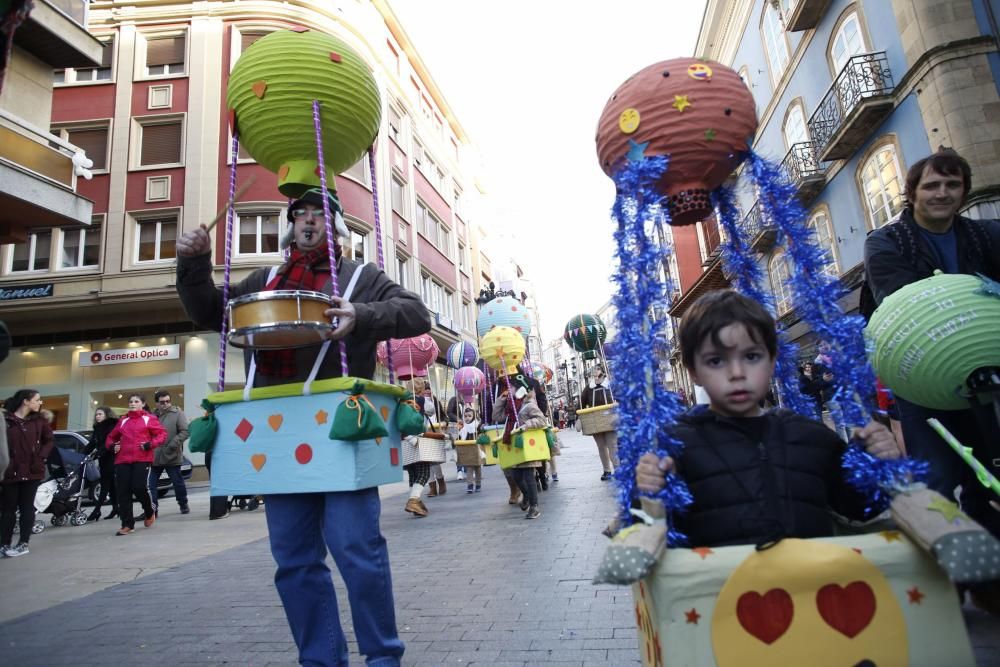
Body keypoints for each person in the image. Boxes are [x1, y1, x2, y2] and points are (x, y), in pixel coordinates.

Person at [176, 185, 429, 666]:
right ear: (291, 225)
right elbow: (210, 312)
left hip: (338, 431)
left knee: (357, 551)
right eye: (300, 214)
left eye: (319, 214)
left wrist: (363, 315)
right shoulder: (265, 279)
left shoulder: (361, 277)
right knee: (293, 562)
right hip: (276, 434)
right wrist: (194, 264)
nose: (309, 221)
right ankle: (320, 659)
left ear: (335, 227)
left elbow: (417, 312)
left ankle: (383, 657)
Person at [635, 290, 901, 548]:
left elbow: (860, 509)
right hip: (725, 590)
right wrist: (649, 490)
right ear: (694, 372)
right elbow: (655, 532)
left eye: (751, 357)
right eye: (716, 361)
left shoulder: (812, 437)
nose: (737, 373)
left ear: (772, 361)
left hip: (810, 588)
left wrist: (873, 461)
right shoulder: (676, 447)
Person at [863, 149, 1000, 538]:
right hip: (923, 377)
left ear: (964, 191)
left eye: (952, 185)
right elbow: (903, 299)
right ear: (912, 192)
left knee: (989, 475)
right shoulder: (885, 242)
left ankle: (990, 574)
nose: (942, 193)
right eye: (932, 185)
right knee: (937, 477)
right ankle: (943, 571)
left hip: (989, 374)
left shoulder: (987, 234)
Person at [1, 389, 53, 558]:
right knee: (8, 509)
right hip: (10, 470)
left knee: (27, 507)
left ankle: (23, 542)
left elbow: (49, 440)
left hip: (32, 470)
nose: (40, 403)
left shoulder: (40, 421)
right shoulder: (6, 419)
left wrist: (41, 457)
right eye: (37, 400)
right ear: (26, 401)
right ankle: (4, 544)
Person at [106, 393, 166, 536]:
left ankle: (149, 511)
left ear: (143, 404)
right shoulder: (123, 421)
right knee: (123, 492)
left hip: (142, 458)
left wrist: (150, 444)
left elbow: (162, 435)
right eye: (131, 401)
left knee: (138, 487)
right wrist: (112, 445)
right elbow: (110, 437)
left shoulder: (149, 419)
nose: (132, 403)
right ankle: (127, 524)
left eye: (136, 401)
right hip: (122, 460)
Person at [493, 376, 545, 519]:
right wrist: (501, 399)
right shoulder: (511, 407)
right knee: (515, 476)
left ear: (521, 389)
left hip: (527, 445)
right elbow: (496, 416)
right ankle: (527, 496)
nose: (509, 390)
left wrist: (526, 426)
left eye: (513, 388)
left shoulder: (529, 405)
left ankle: (534, 507)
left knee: (529, 476)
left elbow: (541, 420)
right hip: (514, 446)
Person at [148, 389, 190, 517]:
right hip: (155, 456)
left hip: (171, 454)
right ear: (157, 403)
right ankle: (153, 510)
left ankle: (183, 503)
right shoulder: (152, 416)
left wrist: (172, 445)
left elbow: (185, 431)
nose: (166, 404)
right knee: (151, 484)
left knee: (177, 482)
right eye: (162, 402)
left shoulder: (177, 413)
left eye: (168, 401)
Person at [581, 366, 617, 481]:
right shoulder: (588, 389)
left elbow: (621, 398)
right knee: (601, 446)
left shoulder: (611, 386)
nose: (596, 377)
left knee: (612, 445)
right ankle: (607, 470)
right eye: (594, 375)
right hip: (595, 421)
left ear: (603, 374)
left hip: (610, 419)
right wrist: (579, 418)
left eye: (598, 374)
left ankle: (618, 469)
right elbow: (581, 404)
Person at [85, 406, 118, 522]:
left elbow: (109, 443)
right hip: (103, 458)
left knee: (105, 484)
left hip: (112, 458)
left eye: (100, 414)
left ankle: (97, 510)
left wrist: (98, 453)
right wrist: (82, 454)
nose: (97, 416)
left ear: (106, 415)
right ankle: (116, 508)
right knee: (112, 485)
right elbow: (92, 443)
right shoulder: (98, 428)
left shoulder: (111, 426)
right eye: (96, 414)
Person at [457, 407, 482, 493]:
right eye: (466, 416)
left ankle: (478, 484)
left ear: (473, 416)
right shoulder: (463, 426)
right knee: (469, 468)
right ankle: (470, 484)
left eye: (469, 416)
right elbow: (460, 437)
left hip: (476, 448)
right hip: (468, 449)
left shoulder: (477, 425)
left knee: (478, 468)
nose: (467, 418)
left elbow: (481, 433)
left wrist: (481, 429)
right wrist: (459, 429)